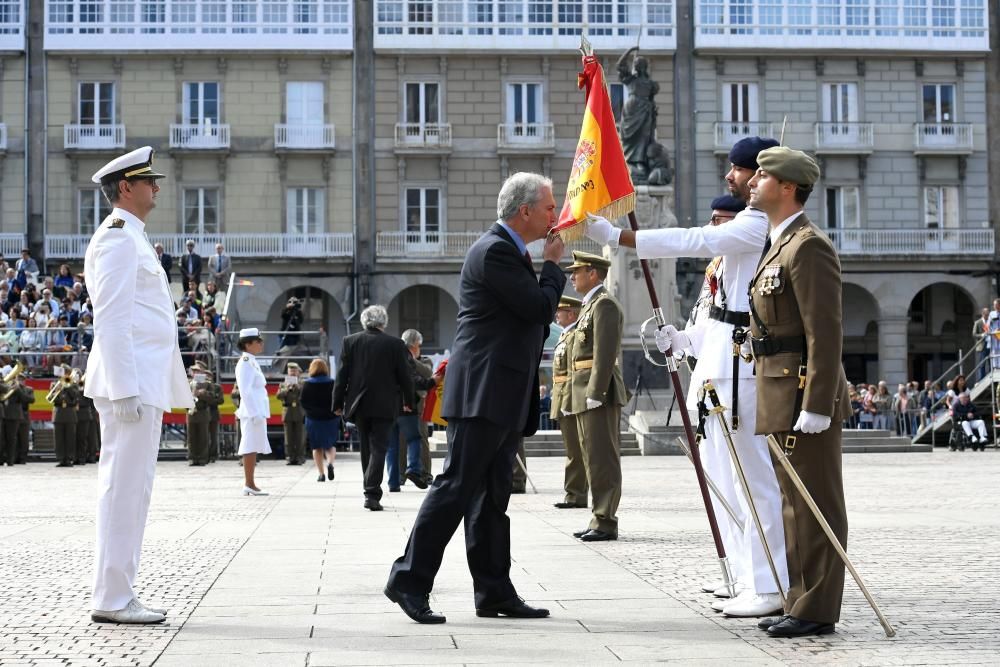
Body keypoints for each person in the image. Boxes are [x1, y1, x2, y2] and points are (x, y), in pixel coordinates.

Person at [588, 137, 790, 617]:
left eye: (740, 169)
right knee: (725, 481)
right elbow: (718, 316)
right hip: (718, 371)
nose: (732, 176)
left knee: (753, 483)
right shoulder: (745, 229)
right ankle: (744, 575)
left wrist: (618, 237)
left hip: (740, 372)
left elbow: (693, 239)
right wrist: (683, 341)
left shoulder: (756, 224)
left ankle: (769, 584)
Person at [385, 171, 565, 624]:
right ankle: (408, 579)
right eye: (549, 207)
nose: (555, 215)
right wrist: (553, 267)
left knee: (491, 497)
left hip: (500, 392)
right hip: (484, 392)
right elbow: (540, 309)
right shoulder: (495, 251)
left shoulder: (509, 250)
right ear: (524, 211)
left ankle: (494, 591)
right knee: (456, 487)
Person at [745, 147, 851, 636]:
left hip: (802, 394)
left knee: (815, 504)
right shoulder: (778, 243)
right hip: (778, 392)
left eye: (762, 175)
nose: (752, 181)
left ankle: (817, 608)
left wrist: (818, 403)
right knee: (793, 504)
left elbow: (823, 331)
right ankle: (799, 600)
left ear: (788, 187)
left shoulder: (808, 246)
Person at [86, 145, 193, 624]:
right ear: (126, 187)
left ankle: (118, 591)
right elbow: (111, 319)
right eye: (149, 181)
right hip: (130, 384)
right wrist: (125, 387)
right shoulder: (117, 238)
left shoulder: (133, 237)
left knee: (133, 490)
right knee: (124, 490)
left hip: (142, 380)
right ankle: (112, 598)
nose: (156, 188)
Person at [563, 251, 627, 542]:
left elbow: (605, 352)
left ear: (592, 273)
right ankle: (598, 517)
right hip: (582, 392)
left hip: (597, 392)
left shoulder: (604, 305)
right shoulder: (590, 306)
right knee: (591, 458)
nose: (572, 277)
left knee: (603, 459)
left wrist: (596, 391)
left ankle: (605, 520)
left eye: (577, 271)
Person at [333, 304, 415, 511]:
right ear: (383, 322)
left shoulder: (350, 341)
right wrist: (408, 401)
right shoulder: (395, 344)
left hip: (359, 404)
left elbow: (342, 376)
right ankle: (371, 493)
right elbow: (405, 376)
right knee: (379, 447)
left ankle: (369, 490)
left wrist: (337, 403)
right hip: (385, 404)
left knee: (366, 448)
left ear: (364, 321)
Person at [387, 329, 440, 492]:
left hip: (420, 407)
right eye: (416, 346)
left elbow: (428, 373)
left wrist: (408, 359)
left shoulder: (424, 360)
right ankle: (401, 475)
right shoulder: (397, 360)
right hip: (402, 406)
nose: (418, 348)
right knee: (401, 441)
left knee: (422, 438)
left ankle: (425, 473)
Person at [551, 296, 588, 509]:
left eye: (561, 311)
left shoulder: (574, 335)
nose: (557, 315)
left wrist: (568, 401)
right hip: (562, 397)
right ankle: (573, 492)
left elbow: (574, 372)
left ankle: (576, 495)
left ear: (572, 314)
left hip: (570, 399)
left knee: (576, 450)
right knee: (571, 449)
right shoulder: (565, 334)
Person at [234, 327, 271, 495]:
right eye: (258, 341)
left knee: (253, 445)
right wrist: (254, 413)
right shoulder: (245, 363)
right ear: (248, 344)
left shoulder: (251, 361)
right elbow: (245, 391)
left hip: (256, 410)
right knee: (249, 445)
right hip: (252, 412)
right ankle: (248, 484)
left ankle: (250, 483)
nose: (261, 344)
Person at [300, 358, 339, 482]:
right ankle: (330, 463)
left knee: (316, 447)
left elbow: (303, 402)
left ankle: (321, 474)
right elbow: (338, 399)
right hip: (331, 418)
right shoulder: (332, 383)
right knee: (330, 445)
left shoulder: (307, 384)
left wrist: (310, 412)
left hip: (314, 419)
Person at [50, 364, 81, 467]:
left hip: (70, 413)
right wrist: (57, 390)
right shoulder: (54, 384)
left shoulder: (73, 385)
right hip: (58, 413)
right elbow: (51, 399)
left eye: (66, 372)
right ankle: (61, 458)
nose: (64, 374)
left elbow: (75, 396)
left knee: (70, 438)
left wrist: (67, 386)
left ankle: (69, 458)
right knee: (59, 438)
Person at [276, 361, 307, 466]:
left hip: (299, 411)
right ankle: (290, 457)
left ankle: (300, 457)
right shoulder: (283, 384)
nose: (293, 373)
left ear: (298, 372)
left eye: (294, 371)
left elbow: (306, 395)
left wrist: (297, 387)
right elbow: (278, 396)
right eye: (291, 371)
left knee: (300, 437)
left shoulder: (302, 383)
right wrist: (287, 389)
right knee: (288, 438)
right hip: (288, 411)